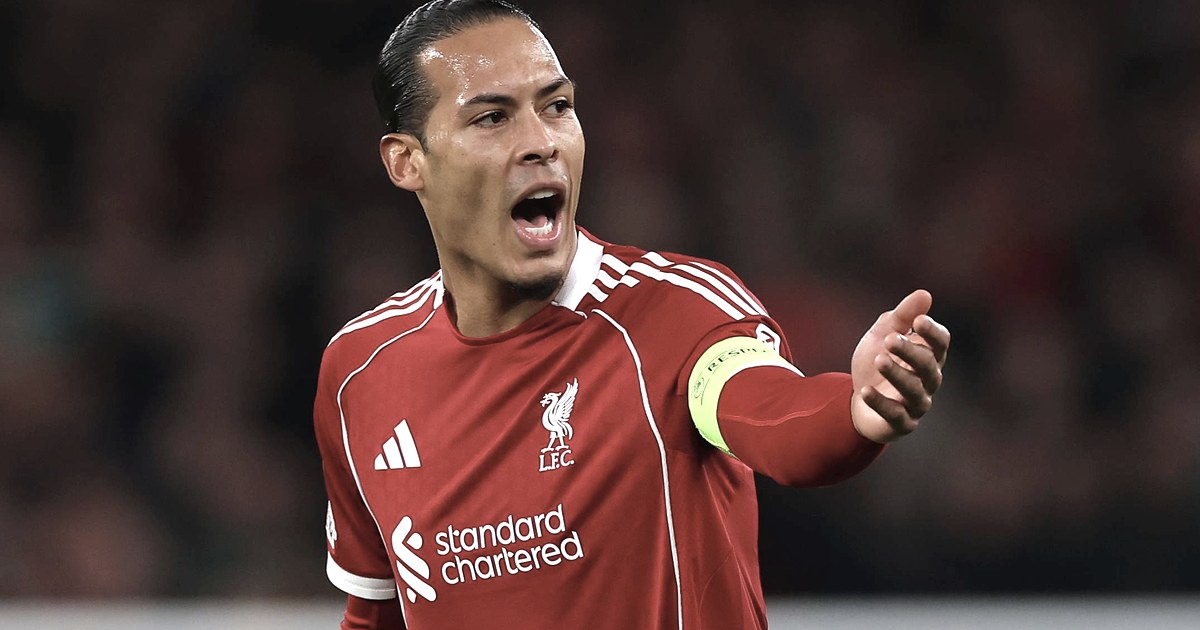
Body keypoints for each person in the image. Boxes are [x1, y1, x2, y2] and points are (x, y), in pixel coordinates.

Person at [313, 1, 951, 628]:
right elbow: (375, 614)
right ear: (407, 162)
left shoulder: (674, 311)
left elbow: (774, 415)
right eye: (492, 118)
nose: (541, 142)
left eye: (557, 107)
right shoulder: (360, 373)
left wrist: (855, 413)